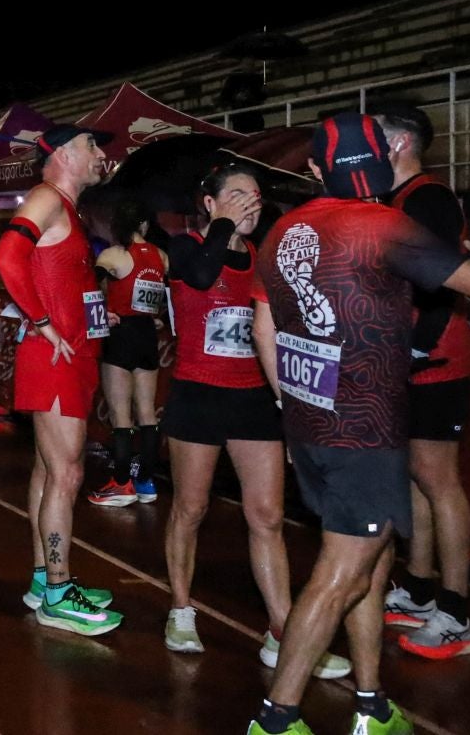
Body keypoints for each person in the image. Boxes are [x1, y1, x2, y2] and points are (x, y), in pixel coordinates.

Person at [246, 115, 470, 735]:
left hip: (312, 421)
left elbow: (264, 329)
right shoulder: (386, 226)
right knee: (342, 572)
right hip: (363, 428)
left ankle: (371, 705)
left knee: (370, 560)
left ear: (315, 170)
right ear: (383, 158)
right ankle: (276, 718)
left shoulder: (283, 231)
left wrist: (290, 403)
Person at [158, 164, 349, 678]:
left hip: (253, 399)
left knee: (266, 516)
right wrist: (223, 224)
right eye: (237, 194)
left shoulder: (266, 256)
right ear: (209, 202)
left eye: (256, 196)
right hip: (197, 396)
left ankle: (284, 632)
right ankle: (180, 609)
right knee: (192, 508)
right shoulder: (182, 246)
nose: (251, 202)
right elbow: (200, 275)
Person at [0, 123, 122, 635]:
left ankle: (47, 580)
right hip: (54, 361)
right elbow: (8, 257)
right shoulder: (46, 198)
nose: (100, 155)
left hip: (71, 354)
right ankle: (59, 593)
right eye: (93, 145)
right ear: (63, 154)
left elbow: (59, 280)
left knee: (50, 472)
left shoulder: (66, 208)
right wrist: (43, 324)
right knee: (67, 475)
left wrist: (92, 318)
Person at [374, 106, 470, 659]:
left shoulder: (427, 197)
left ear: (399, 143)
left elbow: (440, 278)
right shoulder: (396, 199)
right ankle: (417, 588)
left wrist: (419, 344)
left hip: (435, 356)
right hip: (407, 354)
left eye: (375, 136)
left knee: (439, 479)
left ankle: (456, 613)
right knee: (415, 473)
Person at [88, 198, 168, 507]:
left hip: (120, 334)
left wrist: (98, 313)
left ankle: (121, 483)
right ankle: (146, 481)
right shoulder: (161, 256)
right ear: (146, 224)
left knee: (121, 415)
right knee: (147, 412)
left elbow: (88, 285)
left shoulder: (114, 255)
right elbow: (163, 298)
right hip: (148, 335)